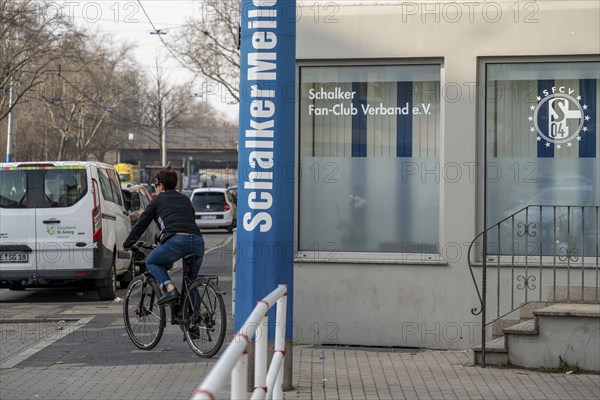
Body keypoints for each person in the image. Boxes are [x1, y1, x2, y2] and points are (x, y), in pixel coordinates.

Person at [123, 169, 204, 305]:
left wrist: (128, 243)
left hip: (176, 241)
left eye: (156, 185)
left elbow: (141, 223)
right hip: (197, 240)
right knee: (191, 283)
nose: (156, 188)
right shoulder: (185, 198)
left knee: (151, 261)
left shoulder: (157, 200)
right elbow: (190, 219)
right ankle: (196, 320)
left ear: (161, 185)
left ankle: (170, 289)